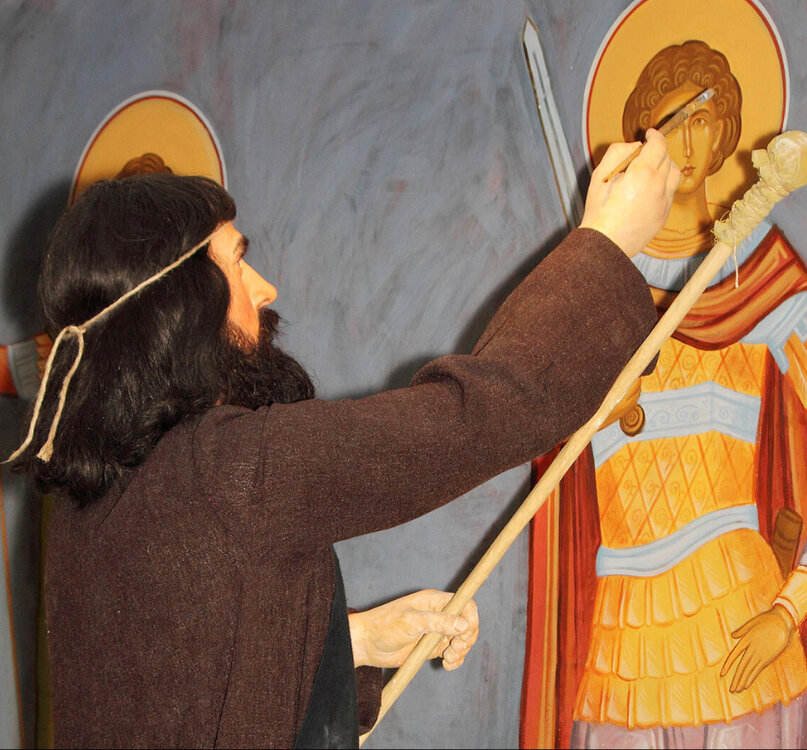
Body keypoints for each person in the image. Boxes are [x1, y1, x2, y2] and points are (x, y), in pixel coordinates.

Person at [5, 129, 681, 748]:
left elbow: (190, 679)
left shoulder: (92, 503)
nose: (265, 289)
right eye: (237, 263)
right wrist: (607, 242)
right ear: (182, 305)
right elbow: (476, 417)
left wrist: (353, 641)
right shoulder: (233, 470)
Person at [520, 40, 807, 749]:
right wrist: (589, 400)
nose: (686, 143)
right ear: (642, 140)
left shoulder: (754, 270)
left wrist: (796, 599)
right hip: (621, 632)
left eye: (703, 120)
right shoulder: (594, 284)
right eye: (669, 122)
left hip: (735, 614)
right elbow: (534, 433)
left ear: (724, 136)